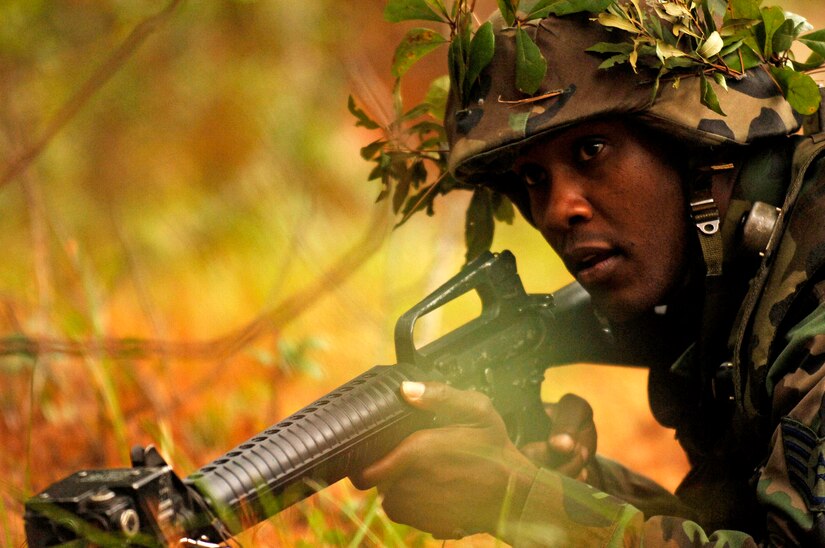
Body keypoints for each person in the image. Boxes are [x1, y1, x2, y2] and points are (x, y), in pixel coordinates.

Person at [350, 5, 825, 547]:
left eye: (591, 150)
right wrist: (563, 486)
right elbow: (738, 528)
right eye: (533, 177)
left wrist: (518, 499)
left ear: (695, 148)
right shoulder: (729, 283)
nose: (557, 211)